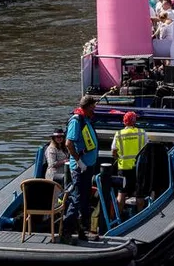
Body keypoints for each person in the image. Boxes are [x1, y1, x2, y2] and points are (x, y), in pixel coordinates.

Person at [63, 95, 99, 241]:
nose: (95, 109)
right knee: (77, 198)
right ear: (88, 106)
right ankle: (66, 231)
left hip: (88, 167)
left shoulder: (86, 119)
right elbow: (69, 144)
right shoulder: (77, 121)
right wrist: (79, 162)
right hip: (80, 168)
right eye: (93, 106)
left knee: (85, 199)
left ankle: (83, 230)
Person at [110, 111, 148, 214]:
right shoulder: (141, 132)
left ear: (124, 122)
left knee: (121, 194)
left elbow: (113, 151)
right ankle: (140, 216)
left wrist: (118, 159)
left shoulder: (118, 134)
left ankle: (117, 218)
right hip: (138, 168)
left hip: (123, 168)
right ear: (135, 121)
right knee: (139, 194)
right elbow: (147, 149)